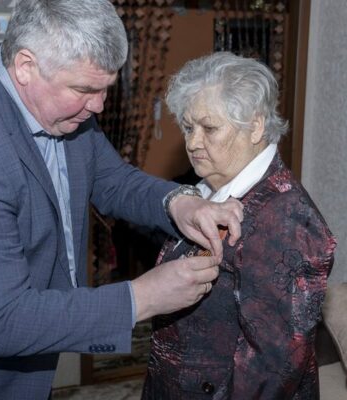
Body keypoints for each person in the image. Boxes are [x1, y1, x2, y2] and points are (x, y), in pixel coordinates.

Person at [0, 1, 244, 399]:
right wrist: (143, 297)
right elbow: (0, 320)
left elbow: (111, 179)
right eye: (85, 90)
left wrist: (179, 202)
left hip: (32, 360)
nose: (98, 106)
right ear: (25, 66)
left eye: (105, 89)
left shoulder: (58, 105)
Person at [142, 52, 336, 399]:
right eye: (188, 127)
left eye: (209, 128)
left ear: (255, 126)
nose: (192, 142)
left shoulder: (287, 219)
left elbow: (273, 369)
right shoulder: (206, 191)